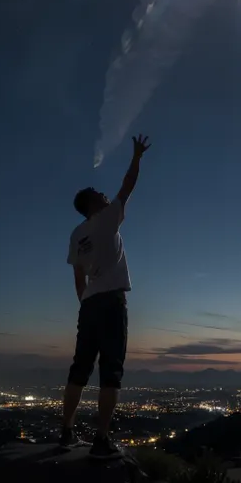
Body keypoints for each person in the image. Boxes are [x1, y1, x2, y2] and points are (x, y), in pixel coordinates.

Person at [60, 134, 151, 459]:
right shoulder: (107, 218)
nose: (104, 193)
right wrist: (137, 155)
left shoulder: (77, 234)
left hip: (89, 305)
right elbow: (128, 184)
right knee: (111, 370)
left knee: (80, 368)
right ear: (92, 204)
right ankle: (101, 438)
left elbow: (77, 276)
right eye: (98, 193)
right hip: (111, 302)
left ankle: (66, 430)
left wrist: (86, 302)